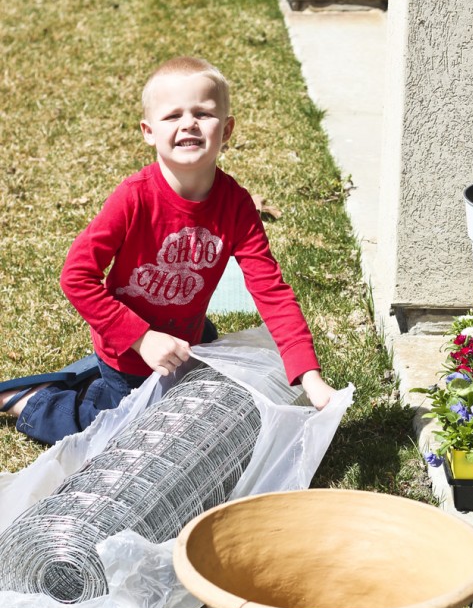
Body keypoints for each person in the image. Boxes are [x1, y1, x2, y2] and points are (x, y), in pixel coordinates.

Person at [1, 56, 335, 445]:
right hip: (128, 351)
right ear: (148, 131)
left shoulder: (237, 206)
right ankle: (28, 399)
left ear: (227, 130)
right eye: (173, 115)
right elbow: (76, 277)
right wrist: (142, 339)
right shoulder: (134, 198)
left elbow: (272, 294)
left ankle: (91, 375)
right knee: (117, 434)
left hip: (187, 335)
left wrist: (310, 379)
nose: (189, 123)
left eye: (203, 113)